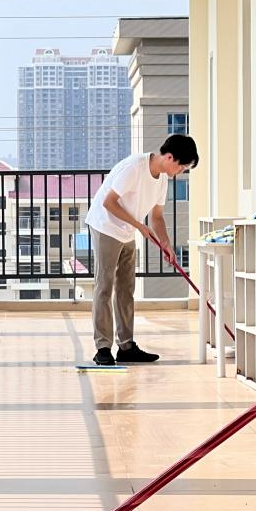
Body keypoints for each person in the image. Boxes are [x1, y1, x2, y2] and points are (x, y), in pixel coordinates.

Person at [85, 135, 199, 366]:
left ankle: (126, 346)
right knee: (104, 286)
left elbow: (157, 217)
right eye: (182, 167)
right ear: (170, 157)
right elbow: (109, 202)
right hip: (106, 225)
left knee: (126, 288)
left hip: (127, 230)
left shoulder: (162, 179)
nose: (180, 172)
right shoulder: (134, 167)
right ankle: (103, 348)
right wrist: (139, 226)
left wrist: (166, 244)